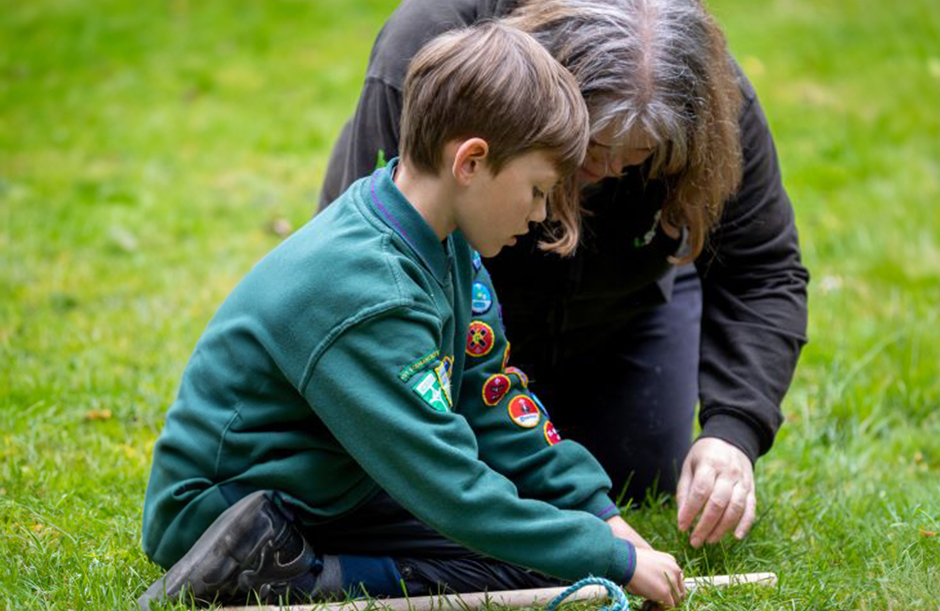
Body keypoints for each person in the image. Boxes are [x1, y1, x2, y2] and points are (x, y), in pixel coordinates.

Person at [139, 22, 686, 610]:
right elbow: (450, 489)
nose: (542, 213)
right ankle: (295, 575)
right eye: (537, 189)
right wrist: (608, 559)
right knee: (528, 566)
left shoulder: (445, 239)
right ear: (471, 162)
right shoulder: (371, 293)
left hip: (328, 481)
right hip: (224, 511)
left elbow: (491, 396)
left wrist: (599, 516)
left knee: (537, 546)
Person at [318, 0, 810, 549]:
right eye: (593, 149)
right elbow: (358, 271)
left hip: (621, 308)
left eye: (639, 159)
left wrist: (733, 430)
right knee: (417, 487)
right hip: (459, 328)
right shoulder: (432, 45)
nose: (606, 171)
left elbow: (762, 269)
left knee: (638, 468)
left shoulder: (713, 99)